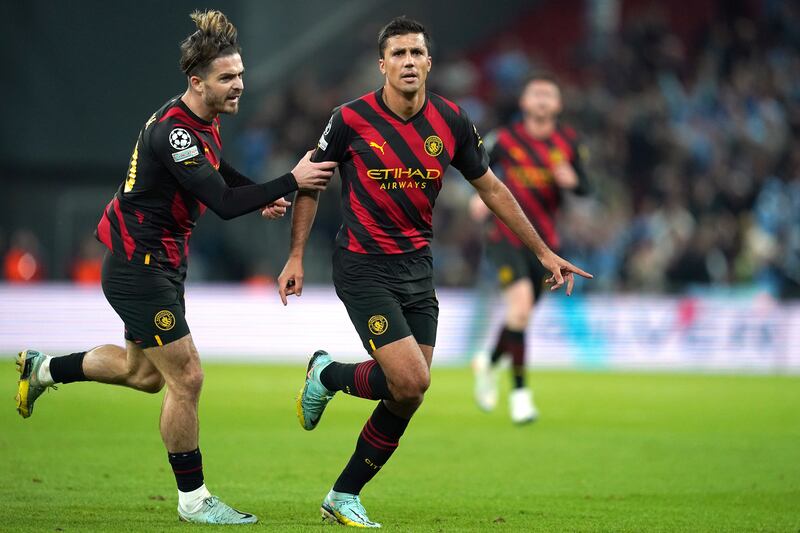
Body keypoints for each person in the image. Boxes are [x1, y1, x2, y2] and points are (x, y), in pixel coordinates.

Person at [14, 9, 335, 525]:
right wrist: (289, 182)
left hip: (154, 263)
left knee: (143, 375)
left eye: (241, 74)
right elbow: (224, 203)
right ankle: (193, 499)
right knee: (188, 377)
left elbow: (220, 174)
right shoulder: (175, 134)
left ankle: (43, 369)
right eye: (228, 78)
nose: (239, 86)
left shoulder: (198, 120)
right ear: (197, 82)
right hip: (139, 269)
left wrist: (264, 191)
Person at [277, 17, 592, 528]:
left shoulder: (452, 121)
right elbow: (310, 181)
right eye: (397, 53)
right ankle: (327, 379)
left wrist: (543, 252)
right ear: (382, 65)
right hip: (362, 265)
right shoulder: (350, 118)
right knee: (410, 378)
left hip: (418, 268)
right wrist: (295, 255)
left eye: (415, 53)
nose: (407, 61)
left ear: (429, 63)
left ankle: (341, 481)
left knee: (411, 392)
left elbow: (492, 189)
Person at [471, 73, 591, 424]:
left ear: (557, 105)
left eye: (548, 94)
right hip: (505, 237)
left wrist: (574, 182)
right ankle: (521, 396)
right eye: (534, 94)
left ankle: (489, 363)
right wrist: (478, 199)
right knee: (520, 309)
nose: (541, 99)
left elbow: (586, 186)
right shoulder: (505, 139)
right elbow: (473, 167)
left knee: (519, 318)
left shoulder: (569, 142)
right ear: (524, 103)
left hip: (546, 246)